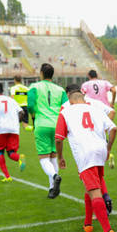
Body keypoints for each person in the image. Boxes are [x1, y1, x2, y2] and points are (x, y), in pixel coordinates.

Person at [55, 91, 117, 232]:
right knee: (90, 185)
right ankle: (88, 223)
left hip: (85, 153)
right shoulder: (95, 108)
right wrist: (108, 148)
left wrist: (60, 157)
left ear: (71, 100)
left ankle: (107, 231)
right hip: (100, 150)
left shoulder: (66, 111)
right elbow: (113, 128)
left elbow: (58, 138)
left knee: (94, 190)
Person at [63, 83, 115, 216]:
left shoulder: (66, 106)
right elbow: (112, 112)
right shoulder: (93, 102)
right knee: (97, 174)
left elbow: (61, 130)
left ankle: (100, 212)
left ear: (68, 95)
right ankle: (104, 199)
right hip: (100, 142)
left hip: (83, 147)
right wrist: (100, 128)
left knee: (90, 182)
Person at [28, 63, 68, 198]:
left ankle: (55, 176)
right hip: (57, 125)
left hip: (42, 124)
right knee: (53, 156)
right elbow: (66, 106)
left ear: (41, 73)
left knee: (43, 158)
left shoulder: (34, 87)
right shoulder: (60, 90)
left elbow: (30, 105)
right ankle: (52, 188)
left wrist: (33, 116)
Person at [0, 83, 26, 182]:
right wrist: (17, 123)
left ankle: (7, 176)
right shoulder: (12, 100)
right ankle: (20, 157)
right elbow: (22, 113)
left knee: (0, 152)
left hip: (0, 129)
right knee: (11, 152)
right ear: (3, 90)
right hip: (14, 129)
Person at [82, 70, 117, 167]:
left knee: (92, 135)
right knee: (102, 134)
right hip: (105, 111)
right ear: (97, 75)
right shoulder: (104, 82)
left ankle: (94, 160)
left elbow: (81, 95)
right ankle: (107, 154)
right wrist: (112, 102)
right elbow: (114, 90)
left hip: (92, 111)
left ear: (89, 76)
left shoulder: (86, 84)